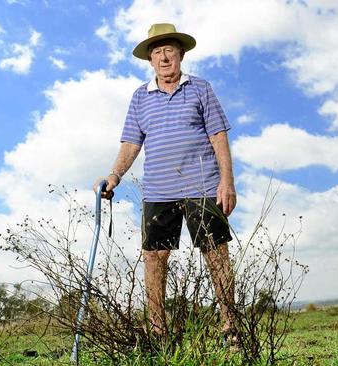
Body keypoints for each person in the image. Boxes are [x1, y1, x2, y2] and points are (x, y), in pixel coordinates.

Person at [94, 23, 237, 343]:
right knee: (154, 257)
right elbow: (131, 143)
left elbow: (218, 135)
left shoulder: (200, 88)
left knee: (216, 253)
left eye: (169, 50)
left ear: (181, 54)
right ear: (150, 60)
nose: (164, 57)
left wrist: (226, 182)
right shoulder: (140, 97)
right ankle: (158, 333)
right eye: (157, 52)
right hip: (158, 190)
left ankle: (231, 326)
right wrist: (113, 176)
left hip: (203, 185)